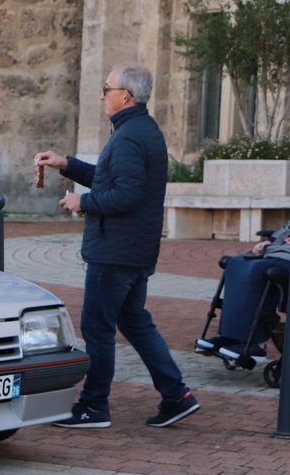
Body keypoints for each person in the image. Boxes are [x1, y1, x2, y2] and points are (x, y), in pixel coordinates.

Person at [35, 62, 200, 429]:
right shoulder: (140, 130)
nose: (101, 95)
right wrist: (67, 164)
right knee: (135, 322)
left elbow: (126, 194)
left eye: (106, 89)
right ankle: (177, 395)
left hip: (116, 250)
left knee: (97, 327)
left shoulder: (129, 136)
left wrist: (83, 203)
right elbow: (109, 177)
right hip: (133, 249)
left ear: (124, 96)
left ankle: (94, 406)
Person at [198, 223, 290, 363]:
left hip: (284, 259)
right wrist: (268, 241)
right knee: (235, 264)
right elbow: (284, 231)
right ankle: (230, 337)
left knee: (257, 270)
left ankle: (257, 344)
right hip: (276, 253)